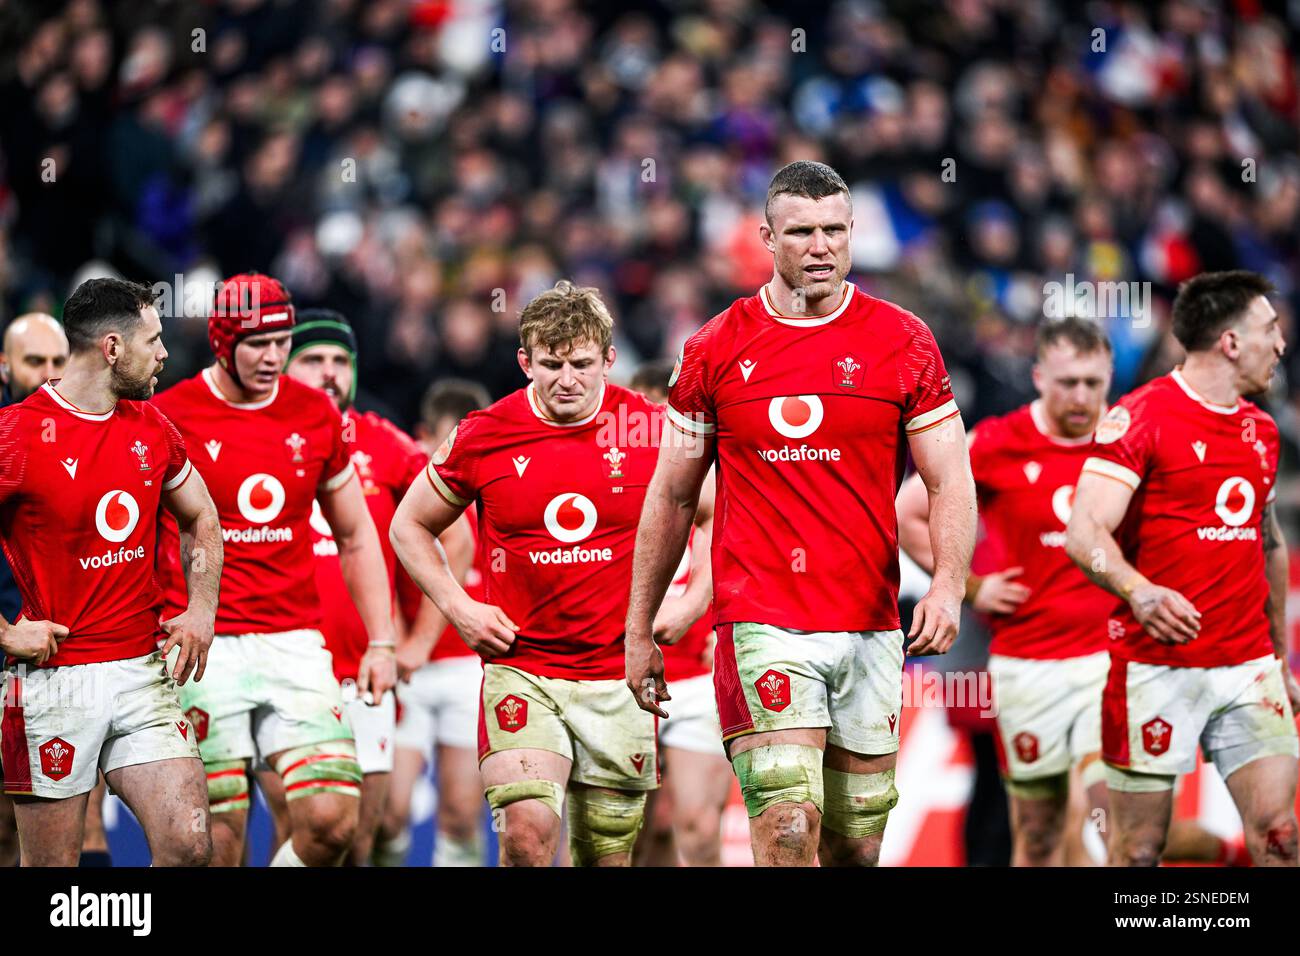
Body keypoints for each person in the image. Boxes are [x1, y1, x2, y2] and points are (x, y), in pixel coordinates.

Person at [625, 160, 977, 867]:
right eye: (801, 232)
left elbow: (949, 478)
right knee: (787, 826)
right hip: (761, 620)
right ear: (766, 238)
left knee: (856, 847)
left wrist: (946, 585)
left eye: (834, 231)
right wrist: (640, 626)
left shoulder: (903, 341)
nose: (821, 247)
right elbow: (672, 495)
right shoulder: (714, 348)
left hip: (869, 623)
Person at [897, 317, 1248, 866]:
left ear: (1110, 376)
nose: (1081, 397)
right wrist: (969, 586)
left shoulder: (1135, 438)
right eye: (1067, 383)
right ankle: (1226, 853)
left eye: (1092, 383)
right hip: (1026, 666)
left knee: (1116, 826)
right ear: (1040, 377)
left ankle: (1225, 855)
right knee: (1038, 837)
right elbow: (909, 511)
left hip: (1113, 662)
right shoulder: (998, 441)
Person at [391, 281, 662, 867]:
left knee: (607, 854)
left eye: (582, 364)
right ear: (524, 361)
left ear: (610, 360)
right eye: (551, 364)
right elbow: (408, 525)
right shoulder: (484, 433)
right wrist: (460, 608)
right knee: (525, 834)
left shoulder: (650, 428)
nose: (567, 379)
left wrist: (686, 608)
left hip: (618, 674)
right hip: (523, 669)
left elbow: (716, 511)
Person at [153, 273, 398, 867]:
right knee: (216, 838)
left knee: (334, 823)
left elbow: (355, 534)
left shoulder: (314, 413)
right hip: (202, 646)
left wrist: (382, 641)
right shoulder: (168, 414)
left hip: (294, 642)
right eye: (258, 344)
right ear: (222, 343)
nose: (273, 357)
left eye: (282, 342)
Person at [1066, 269, 1300, 866]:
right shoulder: (1140, 417)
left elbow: (1269, 543)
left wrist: (1279, 655)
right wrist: (1139, 591)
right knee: (1139, 850)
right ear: (1231, 341)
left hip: (1247, 667)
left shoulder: (1262, 430)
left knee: (1281, 834)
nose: (1281, 344)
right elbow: (1084, 532)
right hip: (1156, 668)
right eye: (1270, 329)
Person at [0, 277, 222, 866]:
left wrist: (201, 609)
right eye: (154, 340)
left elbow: (201, 514)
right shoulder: (16, 434)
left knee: (190, 845)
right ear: (113, 348)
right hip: (52, 681)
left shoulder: (152, 426)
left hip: (140, 670)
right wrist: (5, 632)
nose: (165, 353)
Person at [263, 309, 466, 865]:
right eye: (313, 359)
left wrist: (419, 643)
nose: (329, 372)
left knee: (359, 841)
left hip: (365, 676)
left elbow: (457, 538)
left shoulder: (386, 443)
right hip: (283, 668)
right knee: (297, 827)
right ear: (282, 366)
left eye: (340, 360)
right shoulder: (257, 436)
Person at [378, 379, 487, 867]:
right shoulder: (404, 499)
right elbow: (372, 570)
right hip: (409, 670)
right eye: (449, 444)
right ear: (422, 438)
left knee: (462, 815)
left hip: (469, 671)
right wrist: (398, 640)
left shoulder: (502, 492)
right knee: (389, 815)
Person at [627, 361, 730, 867]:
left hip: (699, 674)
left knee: (698, 828)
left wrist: (718, 623)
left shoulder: (721, 474)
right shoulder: (611, 478)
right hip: (622, 674)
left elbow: (753, 554)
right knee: (629, 834)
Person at [0, 312, 70, 866]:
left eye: (57, 360)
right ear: (5, 366)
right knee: (6, 829)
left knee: (74, 829)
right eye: (33, 361)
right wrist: (4, 634)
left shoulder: (92, 431)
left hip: (71, 660)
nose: (48, 373)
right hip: (9, 650)